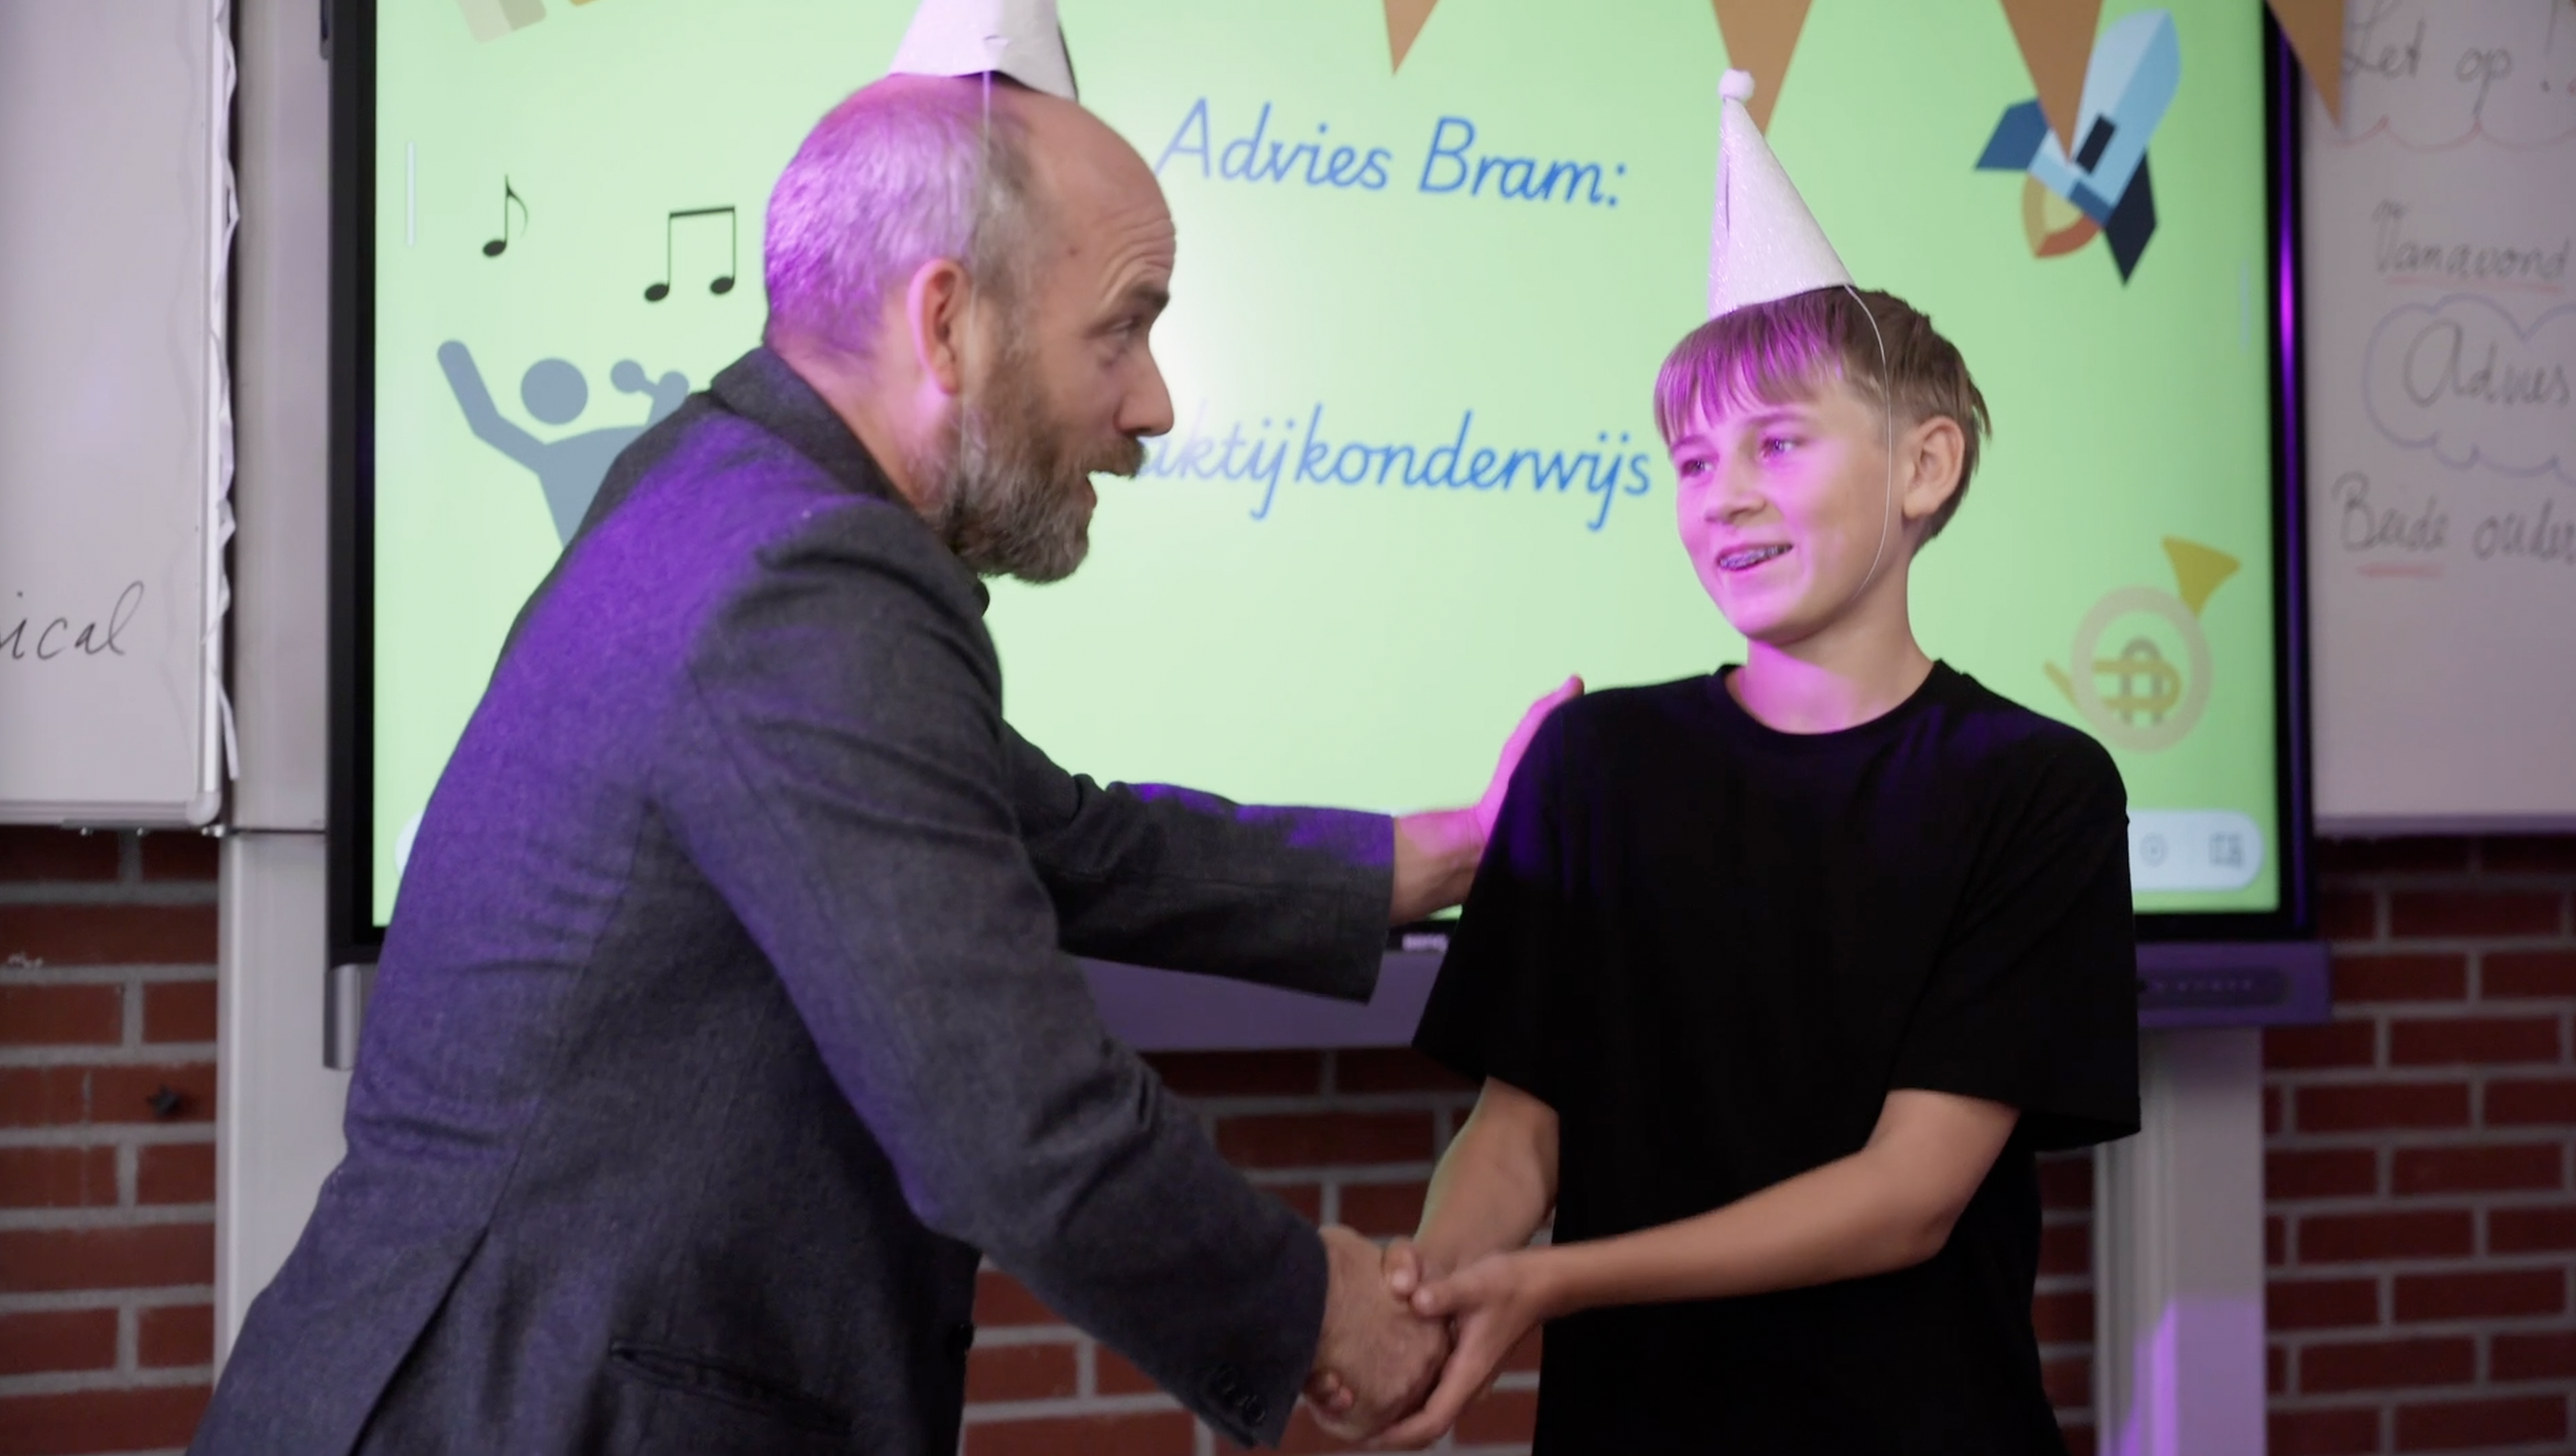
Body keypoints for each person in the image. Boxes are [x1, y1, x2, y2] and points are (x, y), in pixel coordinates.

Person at [191, 5, 1558, 1452]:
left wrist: (1429, 857)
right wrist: (1312, 1312)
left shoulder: (721, 489)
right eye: (1124, 329)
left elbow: (1058, 839)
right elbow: (1013, 1121)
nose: (1154, 406)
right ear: (946, 322)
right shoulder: (812, 579)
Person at [1314, 70, 2140, 1452]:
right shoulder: (1595, 760)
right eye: (1692, 462)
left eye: (1778, 442)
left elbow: (1908, 1195)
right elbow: (1520, 1127)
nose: (1726, 494)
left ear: (1925, 466)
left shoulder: (2031, 786)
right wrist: (1436, 1289)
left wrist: (1555, 1283)